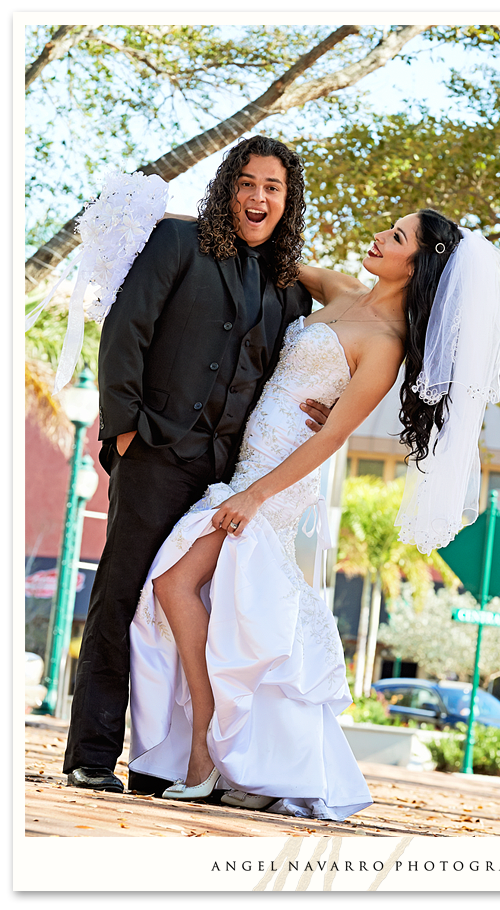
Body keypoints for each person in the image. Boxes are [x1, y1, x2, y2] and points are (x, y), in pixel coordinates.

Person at [126, 207, 500, 820]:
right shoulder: (338, 289)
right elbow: (265, 253)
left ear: (419, 265)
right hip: (243, 460)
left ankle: (204, 743)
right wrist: (174, 220)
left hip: (274, 480)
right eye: (390, 227)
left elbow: (331, 438)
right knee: (215, 605)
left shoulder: (385, 347)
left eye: (398, 236)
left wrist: (253, 495)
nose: (382, 237)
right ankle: (237, 750)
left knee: (174, 585)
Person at [62, 136, 332, 796]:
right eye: (246, 182)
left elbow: (293, 367)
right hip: (155, 452)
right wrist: (124, 430)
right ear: (226, 189)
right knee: (121, 599)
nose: (258, 197)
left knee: (187, 614)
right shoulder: (177, 244)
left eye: (272, 187)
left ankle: (163, 765)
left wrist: (321, 407)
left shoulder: (288, 288)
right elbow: (127, 329)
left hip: (224, 475)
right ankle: (92, 756)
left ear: (287, 200)